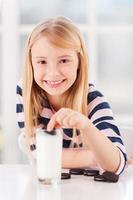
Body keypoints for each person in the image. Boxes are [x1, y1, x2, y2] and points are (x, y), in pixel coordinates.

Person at [16, 16, 127, 175]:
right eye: (42, 62)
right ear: (31, 64)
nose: (53, 73)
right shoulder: (27, 92)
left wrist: (86, 126)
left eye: (64, 61)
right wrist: (93, 157)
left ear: (79, 62)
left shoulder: (93, 101)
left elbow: (116, 164)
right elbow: (41, 154)